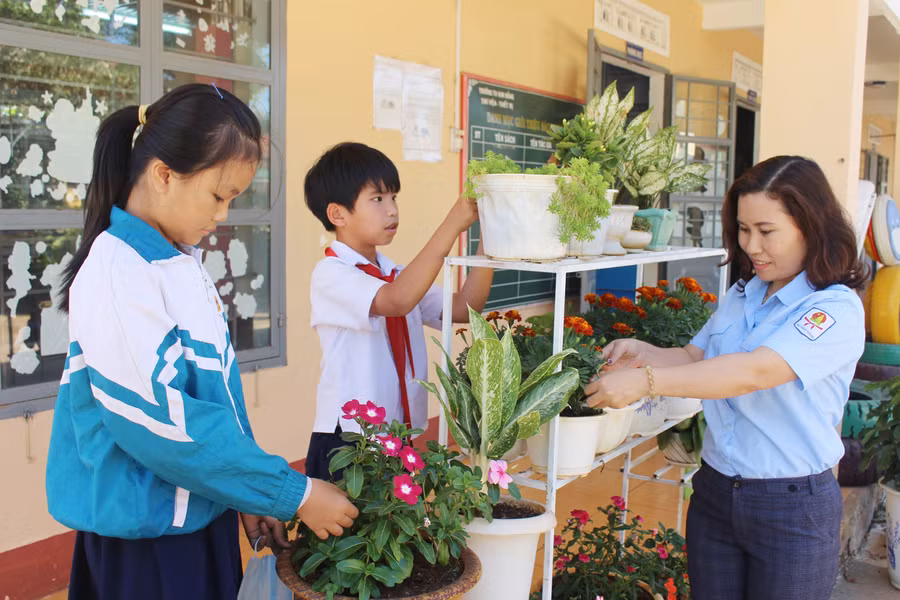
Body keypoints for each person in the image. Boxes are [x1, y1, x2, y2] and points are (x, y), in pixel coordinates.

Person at [45, 84, 359, 600]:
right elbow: (160, 421)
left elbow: (215, 404)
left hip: (193, 519)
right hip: (147, 541)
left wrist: (246, 492)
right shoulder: (118, 269)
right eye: (218, 196)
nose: (222, 216)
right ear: (164, 175)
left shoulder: (178, 261)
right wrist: (291, 491)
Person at [585, 155, 867, 600]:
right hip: (715, 495)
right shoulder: (743, 293)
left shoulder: (832, 308)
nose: (752, 245)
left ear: (810, 226)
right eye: (743, 229)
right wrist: (645, 354)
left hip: (792, 508)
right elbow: (696, 355)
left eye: (767, 231)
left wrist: (648, 382)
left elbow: (754, 372)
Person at [303, 142, 494, 480]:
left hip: (395, 439)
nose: (391, 210)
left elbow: (465, 308)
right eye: (377, 199)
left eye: (393, 198)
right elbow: (397, 301)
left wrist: (491, 234)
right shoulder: (332, 274)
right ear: (337, 214)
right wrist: (452, 224)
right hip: (348, 440)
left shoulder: (395, 274)